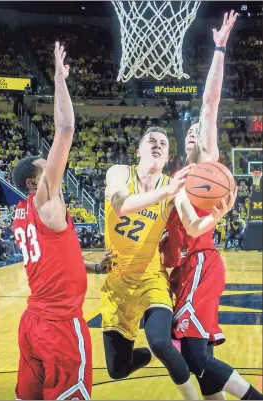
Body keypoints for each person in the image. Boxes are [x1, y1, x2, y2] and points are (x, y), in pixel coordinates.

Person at [161, 10, 263, 400]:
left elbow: (208, 104)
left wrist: (219, 48)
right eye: (186, 132)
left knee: (197, 356)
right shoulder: (175, 179)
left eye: (197, 131)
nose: (193, 133)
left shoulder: (206, 165)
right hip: (182, 269)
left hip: (202, 261)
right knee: (192, 354)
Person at [102, 126, 235, 400]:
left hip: (152, 278)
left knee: (162, 341)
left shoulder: (172, 188)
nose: (158, 145)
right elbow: (121, 205)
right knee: (116, 369)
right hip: (117, 283)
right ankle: (148, 354)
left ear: (166, 159)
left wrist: (217, 217)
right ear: (138, 151)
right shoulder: (118, 172)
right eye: (151, 141)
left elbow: (195, 227)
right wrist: (167, 193)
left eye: (163, 143)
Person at [12, 42, 96, 401]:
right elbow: (65, 127)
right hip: (60, 326)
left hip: (33, 323)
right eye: (45, 166)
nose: (54, 167)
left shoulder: (22, 215)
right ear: (34, 182)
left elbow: (52, 261)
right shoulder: (45, 197)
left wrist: (91, 266)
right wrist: (59, 80)